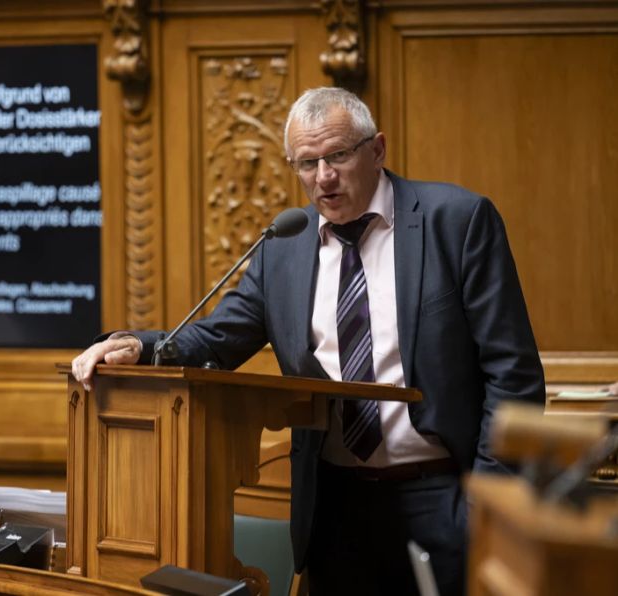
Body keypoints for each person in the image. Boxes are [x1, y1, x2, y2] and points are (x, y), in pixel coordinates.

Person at [72, 87, 545, 595]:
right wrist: (137, 346)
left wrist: (485, 502)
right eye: (307, 163)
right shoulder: (284, 248)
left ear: (377, 149)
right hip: (334, 506)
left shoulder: (455, 221)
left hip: (443, 494)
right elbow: (218, 338)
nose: (323, 177)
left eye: (338, 155)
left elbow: (513, 375)